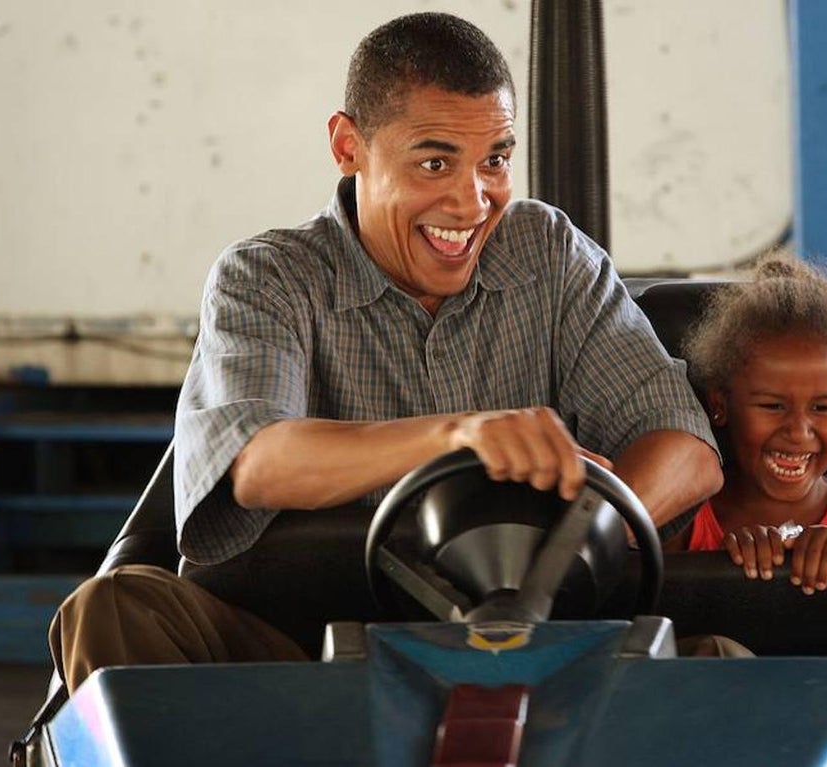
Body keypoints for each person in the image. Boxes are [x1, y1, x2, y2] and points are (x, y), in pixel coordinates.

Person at [48, 12, 721, 693]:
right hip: (313, 670)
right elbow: (255, 461)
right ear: (349, 147)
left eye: (495, 159)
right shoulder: (269, 278)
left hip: (541, 652)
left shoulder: (548, 254)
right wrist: (460, 438)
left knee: (720, 660)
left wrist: (571, 546)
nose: (473, 200)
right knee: (110, 608)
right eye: (435, 163)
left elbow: (686, 447)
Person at [670, 254, 827, 615]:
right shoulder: (680, 517)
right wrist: (722, 577)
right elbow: (651, 647)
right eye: (772, 406)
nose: (799, 432)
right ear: (719, 404)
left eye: (824, 408)